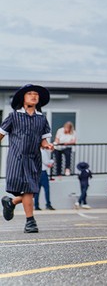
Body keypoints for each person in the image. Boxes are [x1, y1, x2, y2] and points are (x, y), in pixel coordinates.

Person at [1, 84, 55, 233]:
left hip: (33, 159)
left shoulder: (42, 119)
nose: (34, 96)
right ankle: (30, 222)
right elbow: (1, 134)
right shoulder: (13, 116)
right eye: (30, 93)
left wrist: (47, 146)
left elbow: (43, 141)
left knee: (29, 190)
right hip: (16, 158)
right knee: (28, 190)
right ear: (23, 99)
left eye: (36, 94)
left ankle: (11, 203)